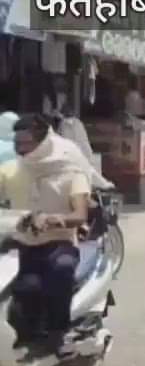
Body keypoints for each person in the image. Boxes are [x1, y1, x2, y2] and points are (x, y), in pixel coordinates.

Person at [8, 115, 92, 350]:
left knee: (61, 271)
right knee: (26, 288)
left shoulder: (71, 173)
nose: (20, 149)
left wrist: (54, 220)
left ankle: (58, 332)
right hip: (21, 246)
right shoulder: (11, 170)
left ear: (43, 143)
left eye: (25, 143)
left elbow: (80, 215)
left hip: (59, 245)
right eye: (17, 143)